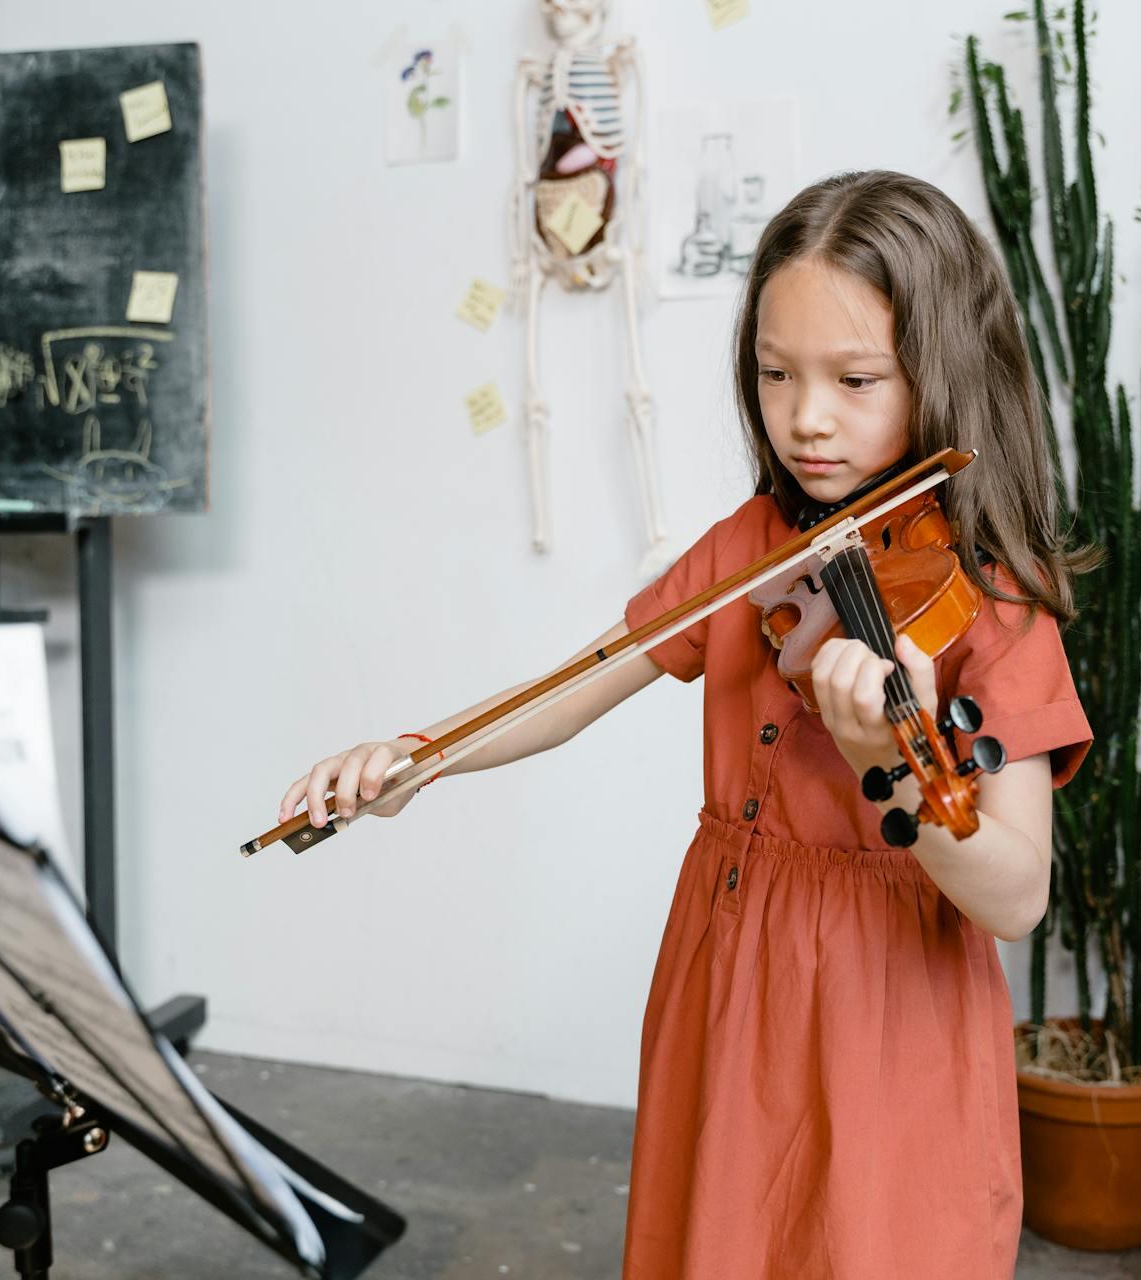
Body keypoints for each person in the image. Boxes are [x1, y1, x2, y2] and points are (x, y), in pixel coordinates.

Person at [277, 170, 1091, 1278]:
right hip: (733, 960)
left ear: (938, 374)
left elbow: (1015, 892)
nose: (806, 416)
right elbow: (581, 682)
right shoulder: (753, 549)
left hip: (888, 1006)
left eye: (855, 379)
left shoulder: (990, 604)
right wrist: (425, 755)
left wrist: (887, 768)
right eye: (774, 373)